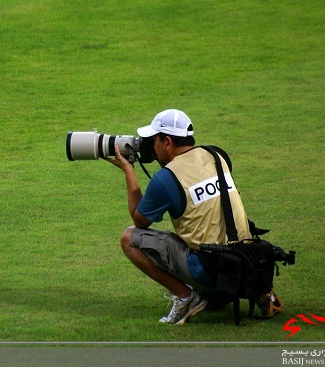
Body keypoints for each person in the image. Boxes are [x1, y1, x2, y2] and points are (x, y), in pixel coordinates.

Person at [106, 109, 252, 325]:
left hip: (209, 267)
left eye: (154, 141)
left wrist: (129, 170)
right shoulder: (216, 155)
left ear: (167, 142)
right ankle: (220, 293)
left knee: (129, 238)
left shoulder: (167, 178)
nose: (151, 148)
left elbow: (140, 221)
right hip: (244, 260)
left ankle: (186, 297)